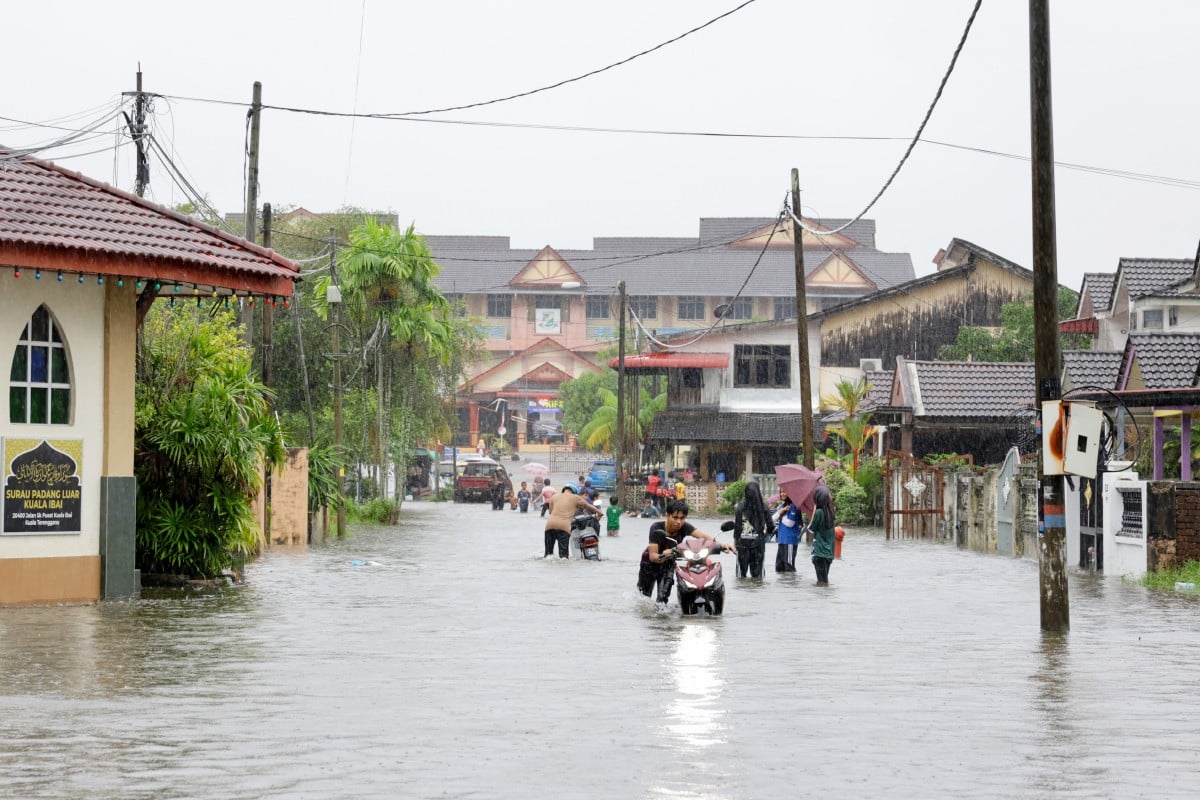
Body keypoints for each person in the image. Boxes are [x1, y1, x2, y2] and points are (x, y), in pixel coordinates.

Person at [637, 499, 733, 604]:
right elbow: (653, 556)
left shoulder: (684, 527)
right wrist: (665, 554)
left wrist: (722, 545)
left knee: (662, 600)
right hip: (649, 566)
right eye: (675, 518)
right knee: (644, 599)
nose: (679, 522)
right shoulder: (656, 528)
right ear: (667, 516)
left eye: (682, 518)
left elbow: (703, 537)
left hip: (667, 566)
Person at [544, 483, 600, 559]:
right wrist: (599, 512)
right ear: (574, 491)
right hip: (563, 527)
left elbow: (550, 512)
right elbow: (587, 505)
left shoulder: (554, 496)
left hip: (549, 526)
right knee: (563, 557)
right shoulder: (575, 497)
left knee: (548, 555)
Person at [732, 480, 772, 579]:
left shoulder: (740, 507)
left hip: (742, 546)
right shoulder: (764, 507)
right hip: (758, 546)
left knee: (741, 577)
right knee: (758, 578)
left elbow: (737, 527)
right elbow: (771, 526)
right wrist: (765, 535)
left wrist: (735, 541)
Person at [809, 485, 836, 584]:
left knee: (821, 582)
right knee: (824, 580)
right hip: (829, 553)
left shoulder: (819, 512)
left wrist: (814, 512)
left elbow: (811, 529)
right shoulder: (831, 512)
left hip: (819, 552)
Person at [773, 488, 803, 572]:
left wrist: (781, 515)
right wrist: (781, 511)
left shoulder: (794, 506)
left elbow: (790, 523)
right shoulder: (783, 506)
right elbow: (772, 519)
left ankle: (791, 585)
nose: (782, 494)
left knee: (789, 567)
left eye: (785, 492)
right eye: (781, 492)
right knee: (779, 567)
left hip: (789, 541)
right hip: (781, 540)